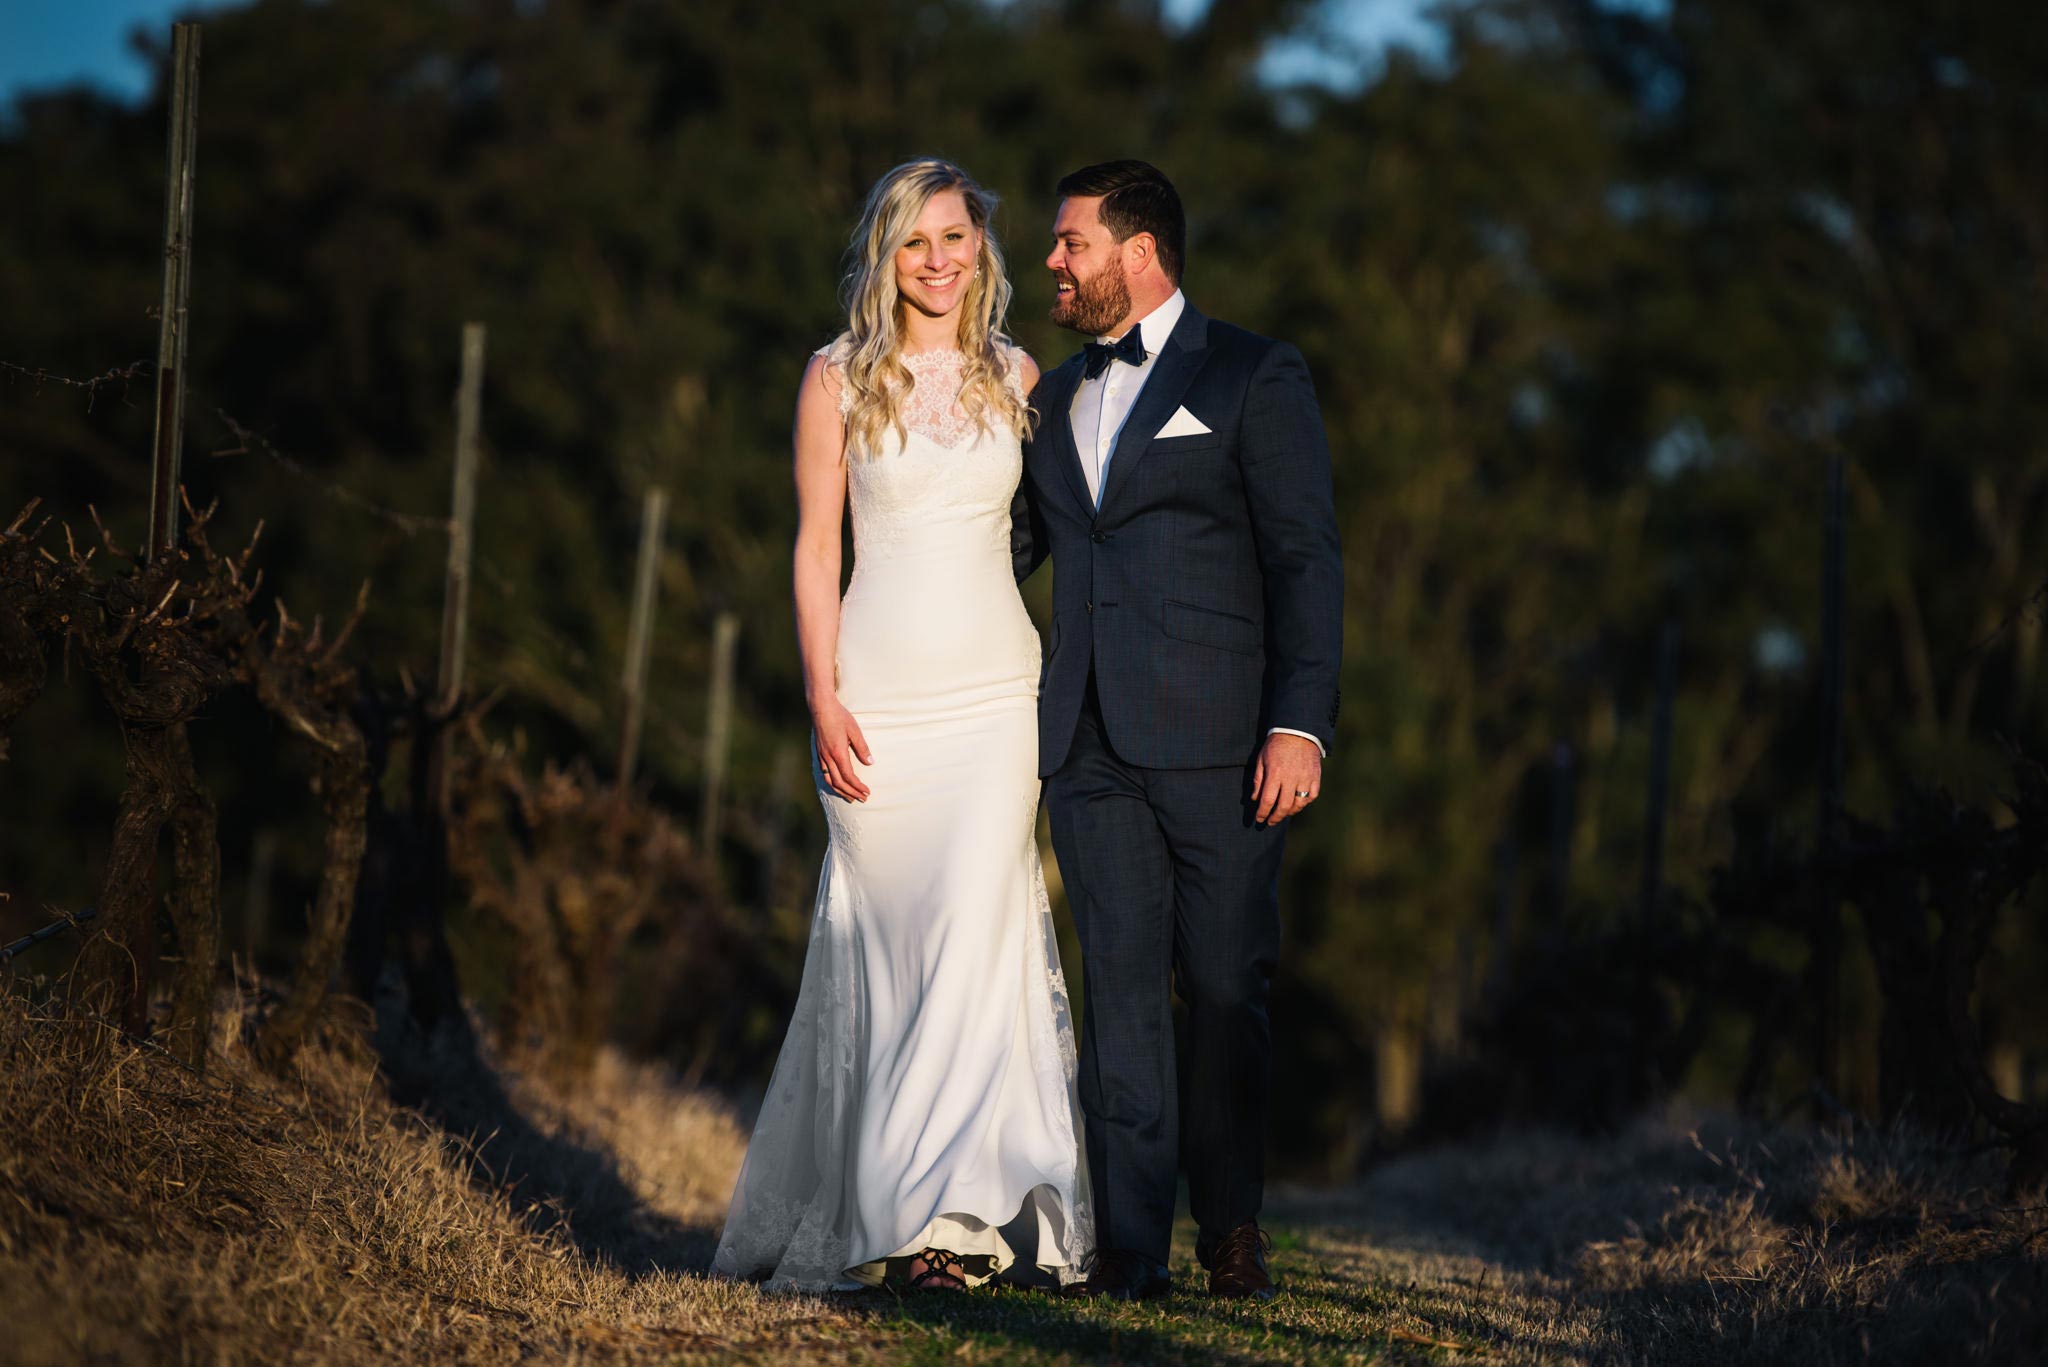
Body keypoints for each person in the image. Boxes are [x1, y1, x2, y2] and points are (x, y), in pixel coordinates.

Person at [711, 159, 1093, 1293]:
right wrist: (820, 692)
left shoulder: (1019, 375)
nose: (936, 259)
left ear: (982, 248)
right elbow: (815, 548)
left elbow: (1061, 535)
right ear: (884, 254)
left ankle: (950, 1228)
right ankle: (881, 1208)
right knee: (890, 949)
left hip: (992, 702)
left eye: (955, 237)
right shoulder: (834, 378)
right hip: (873, 698)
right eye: (913, 240)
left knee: (976, 939)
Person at [1013, 160, 1342, 1302]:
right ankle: (1130, 1245)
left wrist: (1297, 724)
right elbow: (1008, 550)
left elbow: (1303, 557)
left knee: (1221, 982)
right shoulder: (1045, 398)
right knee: (1117, 994)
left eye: (1069, 243)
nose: (1049, 262)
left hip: (1225, 742)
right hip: (1087, 748)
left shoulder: (1253, 372)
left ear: (1137, 250)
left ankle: (1231, 1220)